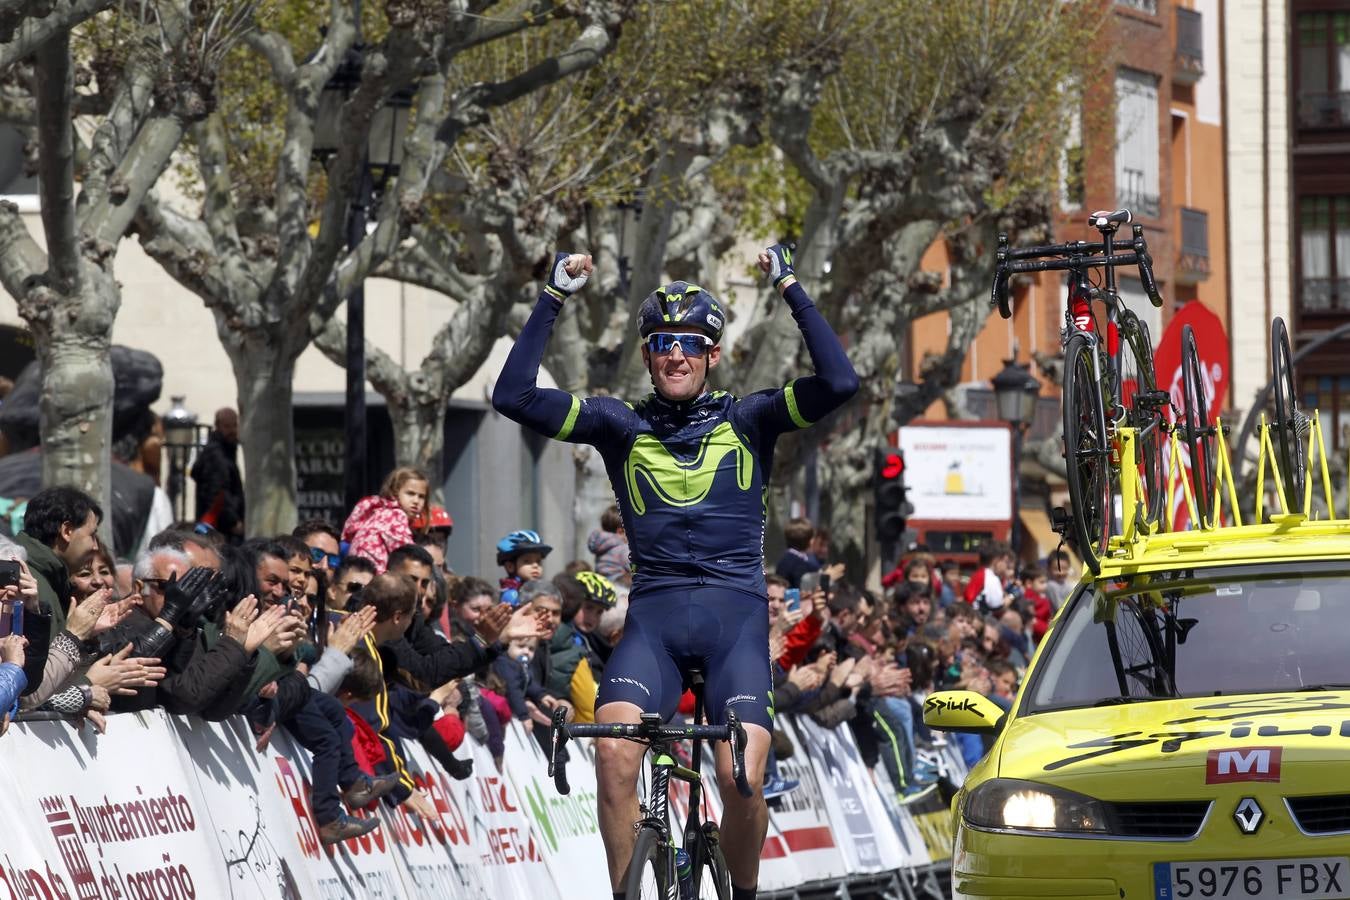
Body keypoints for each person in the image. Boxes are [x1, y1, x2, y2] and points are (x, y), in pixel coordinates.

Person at [492, 243, 858, 899]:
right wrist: (551, 297)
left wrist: (792, 288)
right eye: (662, 342)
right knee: (612, 753)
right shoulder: (618, 423)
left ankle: (743, 892)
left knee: (739, 775)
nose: (676, 355)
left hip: (735, 624)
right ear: (647, 354)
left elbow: (840, 383)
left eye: (692, 343)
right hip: (654, 626)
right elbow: (513, 395)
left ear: (713, 355)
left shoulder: (749, 419)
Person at [341, 467, 427, 573]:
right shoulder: (394, 516)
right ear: (394, 493)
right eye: (410, 493)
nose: (416, 501)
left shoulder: (379, 513)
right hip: (375, 580)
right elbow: (410, 556)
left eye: (421, 496)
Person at [192, 408, 245, 538]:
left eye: (234, 425)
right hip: (220, 530)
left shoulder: (226, 451)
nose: (232, 430)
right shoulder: (217, 455)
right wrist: (232, 522)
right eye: (227, 426)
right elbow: (218, 493)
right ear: (218, 426)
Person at [587, 506, 630, 586]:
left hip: (603, 586)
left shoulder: (602, 544)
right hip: (620, 587)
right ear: (620, 531)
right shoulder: (622, 549)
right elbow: (635, 568)